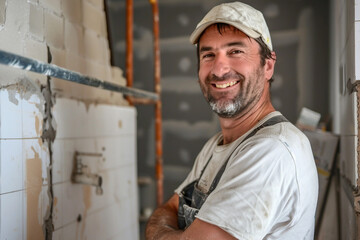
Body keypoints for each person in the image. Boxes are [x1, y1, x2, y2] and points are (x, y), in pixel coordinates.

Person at [145, 2, 318, 239]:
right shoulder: (217, 145)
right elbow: (170, 209)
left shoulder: (272, 149)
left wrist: (157, 233)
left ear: (267, 66)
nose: (219, 69)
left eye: (235, 51)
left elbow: (164, 219)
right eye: (208, 55)